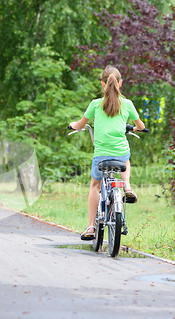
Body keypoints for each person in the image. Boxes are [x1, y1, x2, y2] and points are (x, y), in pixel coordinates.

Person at [69, 65, 145, 241]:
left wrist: (74, 125)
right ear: (120, 83)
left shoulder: (95, 104)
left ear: (103, 84)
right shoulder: (127, 104)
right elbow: (140, 126)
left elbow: (80, 125)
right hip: (120, 153)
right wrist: (136, 128)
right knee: (126, 159)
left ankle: (90, 227)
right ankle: (127, 186)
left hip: (101, 155)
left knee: (95, 185)